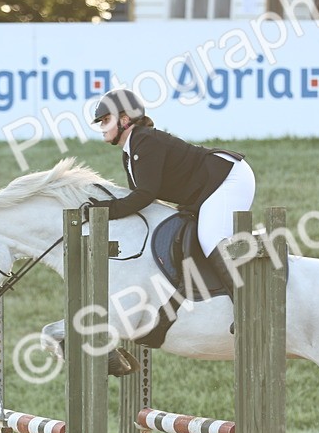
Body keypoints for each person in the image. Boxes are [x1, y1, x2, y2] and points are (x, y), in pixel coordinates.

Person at [88, 89, 255, 295]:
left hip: (229, 178)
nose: (102, 127)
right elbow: (140, 198)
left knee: (210, 237)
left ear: (124, 119)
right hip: (212, 185)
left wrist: (106, 210)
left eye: (106, 120)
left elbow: (145, 195)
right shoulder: (131, 151)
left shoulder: (144, 141)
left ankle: (246, 303)